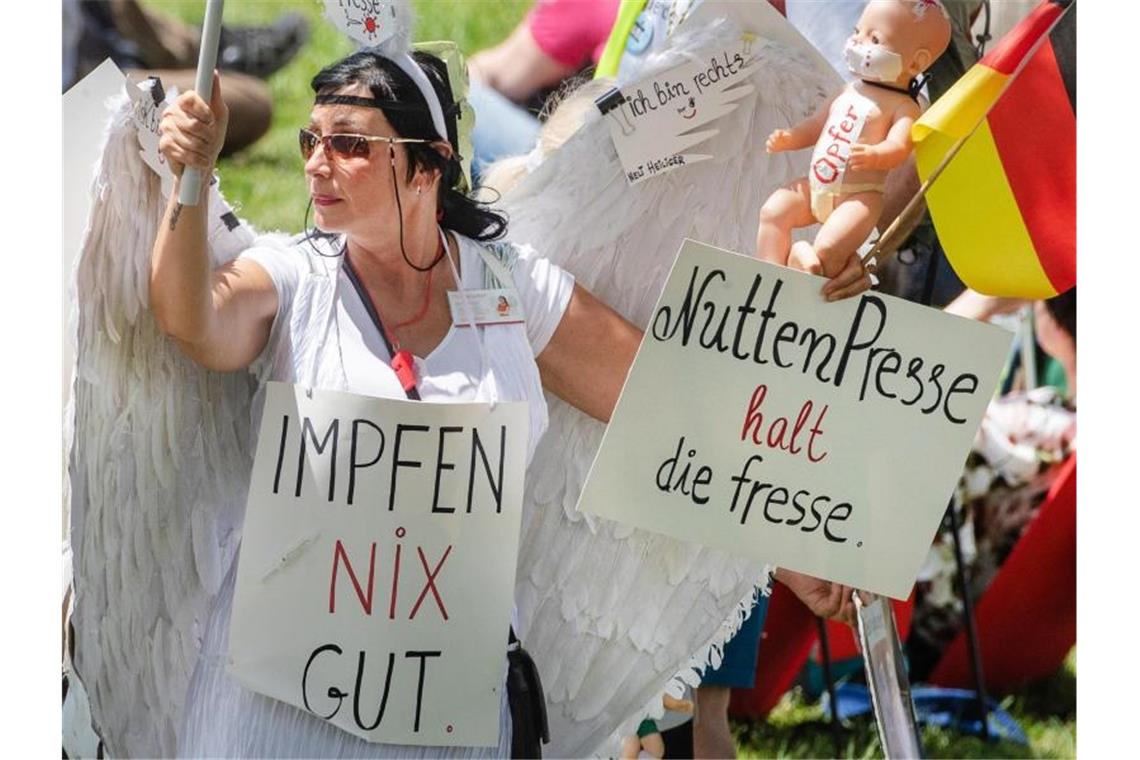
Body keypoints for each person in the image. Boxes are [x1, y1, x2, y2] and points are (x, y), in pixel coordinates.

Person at [908, 287, 1076, 678]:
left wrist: (983, 300)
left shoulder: (1023, 426)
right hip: (1023, 637)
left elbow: (904, 374)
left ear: (1049, 323)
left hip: (935, 637)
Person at [756, 0, 952, 278]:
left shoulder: (904, 107)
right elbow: (816, 125)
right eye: (857, 31)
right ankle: (766, 270)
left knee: (830, 248)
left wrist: (876, 155)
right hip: (817, 185)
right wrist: (790, 137)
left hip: (858, 196)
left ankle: (806, 261)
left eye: (874, 39)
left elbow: (900, 147)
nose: (858, 42)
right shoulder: (848, 91)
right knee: (774, 211)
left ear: (916, 62)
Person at [65, 0, 309, 154]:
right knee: (253, 104)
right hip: (78, 91)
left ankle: (204, 45)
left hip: (87, 39)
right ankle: (217, 55)